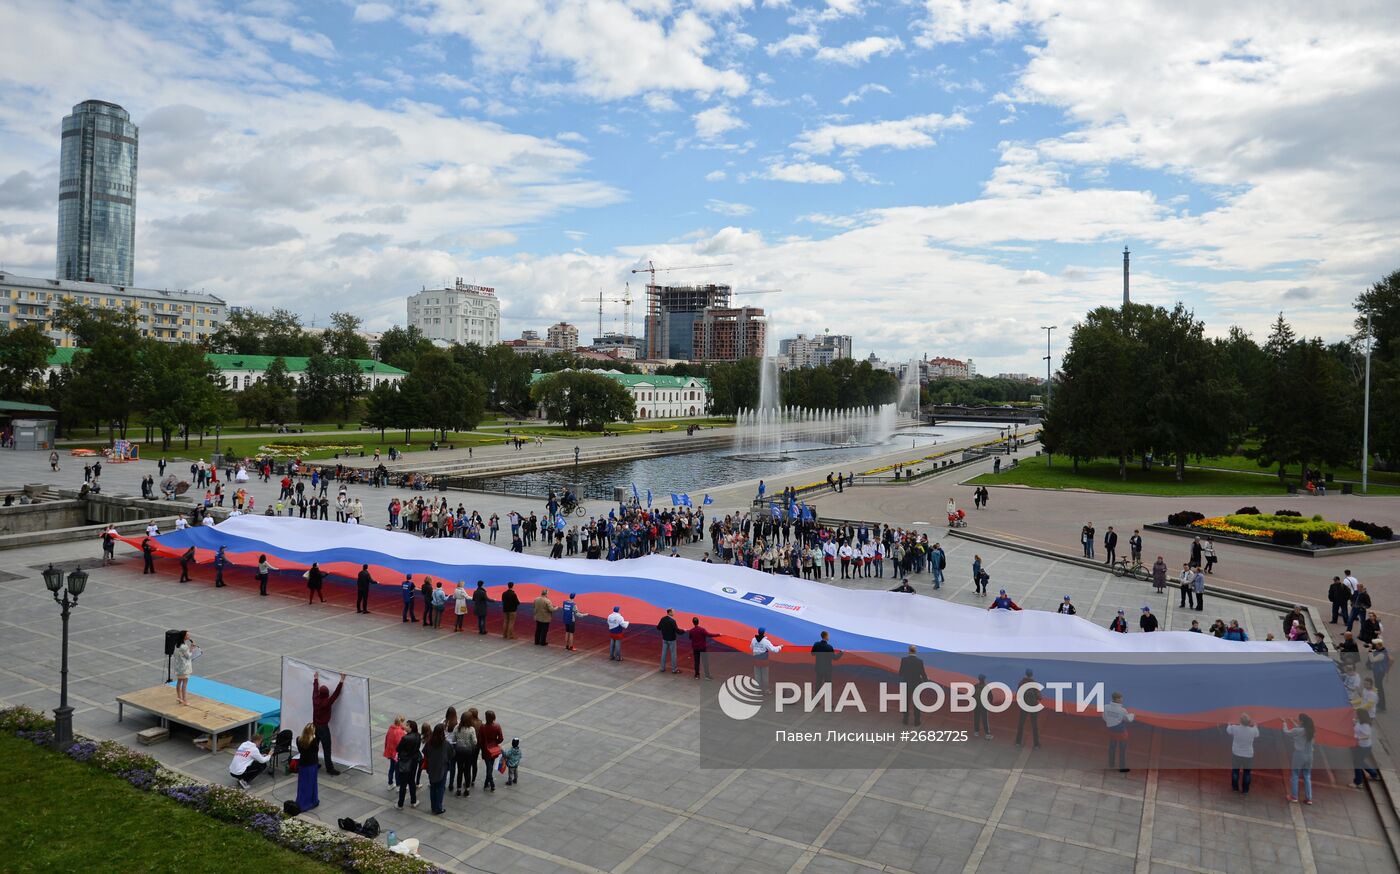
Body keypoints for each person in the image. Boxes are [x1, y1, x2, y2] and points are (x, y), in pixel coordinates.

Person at [312, 671, 345, 776]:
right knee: (327, 749)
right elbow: (336, 693)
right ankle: (329, 768)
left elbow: (315, 690)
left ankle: (314, 763)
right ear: (326, 694)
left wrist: (316, 679)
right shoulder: (327, 702)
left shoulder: (315, 699)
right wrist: (341, 680)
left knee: (314, 746)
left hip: (314, 726)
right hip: (323, 728)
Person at [1282, 713, 1315, 803]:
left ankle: (1294, 796)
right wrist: (1293, 722)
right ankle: (1309, 798)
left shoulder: (1298, 730)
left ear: (1301, 721)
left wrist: (1284, 723)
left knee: (1295, 775)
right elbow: (1300, 730)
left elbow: (1286, 732)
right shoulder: (1311, 731)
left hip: (1299, 755)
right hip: (1310, 755)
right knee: (1307, 776)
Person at [1226, 713, 1258, 795]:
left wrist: (1229, 723)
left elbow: (1228, 730)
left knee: (1235, 771)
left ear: (1240, 721)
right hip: (1248, 755)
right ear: (1249, 722)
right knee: (1247, 773)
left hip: (1236, 753)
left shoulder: (1235, 728)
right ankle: (1245, 790)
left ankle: (1235, 788)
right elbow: (1257, 734)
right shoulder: (1253, 730)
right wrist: (1255, 725)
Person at [1103, 691, 1134, 773]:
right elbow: (1128, 719)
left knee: (1112, 747)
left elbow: (1104, 717)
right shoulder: (1122, 710)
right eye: (1121, 698)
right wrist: (1132, 715)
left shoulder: (1105, 707)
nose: (1122, 699)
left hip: (1111, 731)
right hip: (1121, 733)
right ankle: (1122, 767)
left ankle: (1111, 764)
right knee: (1122, 750)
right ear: (1117, 699)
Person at [424, 723, 450, 815]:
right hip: (442, 768)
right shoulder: (445, 744)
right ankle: (438, 808)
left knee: (433, 787)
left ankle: (433, 806)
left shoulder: (429, 742)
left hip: (431, 768)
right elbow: (452, 753)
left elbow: (425, 752)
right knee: (440, 788)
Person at [899, 645, 927, 726]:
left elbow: (900, 673)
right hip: (916, 684)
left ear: (909, 651)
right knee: (916, 704)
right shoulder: (919, 661)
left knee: (905, 702)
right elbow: (923, 673)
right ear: (915, 651)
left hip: (906, 684)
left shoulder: (904, 660)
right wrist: (926, 680)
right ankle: (917, 721)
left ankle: (905, 719)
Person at [295, 723, 321, 812]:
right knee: (311, 783)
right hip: (311, 765)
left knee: (302, 784)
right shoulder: (313, 741)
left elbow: (300, 750)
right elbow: (316, 750)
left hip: (302, 764)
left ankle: (301, 801)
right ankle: (312, 801)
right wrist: (314, 738)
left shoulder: (298, 739)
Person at [396, 720, 421, 809]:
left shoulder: (405, 738)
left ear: (411, 727)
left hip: (406, 762)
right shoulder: (418, 735)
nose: (405, 726)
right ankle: (413, 801)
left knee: (403, 784)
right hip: (414, 762)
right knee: (411, 781)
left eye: (407, 725)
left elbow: (398, 749)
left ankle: (400, 804)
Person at [454, 708, 479, 796]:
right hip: (468, 751)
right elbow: (475, 742)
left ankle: (458, 789)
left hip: (459, 751)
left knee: (460, 770)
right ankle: (467, 790)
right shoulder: (471, 729)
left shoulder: (457, 728)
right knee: (467, 770)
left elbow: (454, 739)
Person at [1353, 710, 1382, 787]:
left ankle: (1358, 782)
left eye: (1357, 714)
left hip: (1364, 748)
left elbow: (1367, 736)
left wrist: (1357, 737)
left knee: (1357, 764)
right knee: (1359, 762)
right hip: (1361, 746)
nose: (1356, 715)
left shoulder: (1365, 725)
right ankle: (1374, 774)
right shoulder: (1360, 722)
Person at [478, 711, 504, 792]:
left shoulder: (482, 727)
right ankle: (487, 783)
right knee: (490, 766)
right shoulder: (497, 726)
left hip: (486, 749)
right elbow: (501, 738)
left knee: (489, 767)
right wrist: (495, 742)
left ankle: (491, 784)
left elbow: (480, 739)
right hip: (494, 750)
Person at [1015, 669, 1041, 749]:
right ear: (1032, 674)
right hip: (1033, 706)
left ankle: (1018, 742)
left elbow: (1018, 693)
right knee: (1034, 725)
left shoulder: (1021, 683)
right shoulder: (1034, 684)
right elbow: (1039, 696)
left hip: (1024, 706)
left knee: (1021, 724)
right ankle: (1036, 744)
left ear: (1025, 674)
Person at [751, 628, 782, 693]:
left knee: (757, 676)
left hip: (756, 659)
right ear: (764, 633)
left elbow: (751, 647)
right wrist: (780, 647)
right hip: (764, 660)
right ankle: (766, 690)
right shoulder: (766, 642)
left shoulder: (753, 640)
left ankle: (757, 690)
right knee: (765, 676)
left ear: (758, 632)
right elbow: (774, 650)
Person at [384, 715, 407, 791]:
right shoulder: (400, 732)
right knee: (397, 770)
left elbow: (387, 739)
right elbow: (401, 744)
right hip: (397, 754)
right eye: (403, 722)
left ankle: (390, 783)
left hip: (390, 752)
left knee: (391, 768)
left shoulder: (391, 728)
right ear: (400, 723)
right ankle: (398, 785)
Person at [172, 631, 195, 705]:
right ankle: (185, 700)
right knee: (184, 683)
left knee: (179, 682)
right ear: (184, 637)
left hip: (179, 666)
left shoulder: (177, 645)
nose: (189, 635)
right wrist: (192, 649)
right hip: (185, 667)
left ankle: (179, 697)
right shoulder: (184, 647)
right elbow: (188, 656)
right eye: (187, 634)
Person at [1369, 639, 1390, 712]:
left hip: (1379, 672)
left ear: (1378, 645)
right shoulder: (1381, 650)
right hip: (1377, 671)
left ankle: (1382, 706)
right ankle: (1379, 703)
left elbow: (1372, 660)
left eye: (1375, 644)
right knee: (1378, 687)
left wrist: (1370, 651)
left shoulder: (1381, 654)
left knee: (1379, 688)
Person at [971, 674, 992, 739]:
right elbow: (991, 697)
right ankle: (987, 734)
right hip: (983, 707)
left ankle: (976, 732)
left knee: (976, 719)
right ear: (984, 679)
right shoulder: (986, 687)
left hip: (976, 706)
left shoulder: (975, 686)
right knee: (985, 720)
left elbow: (972, 695)